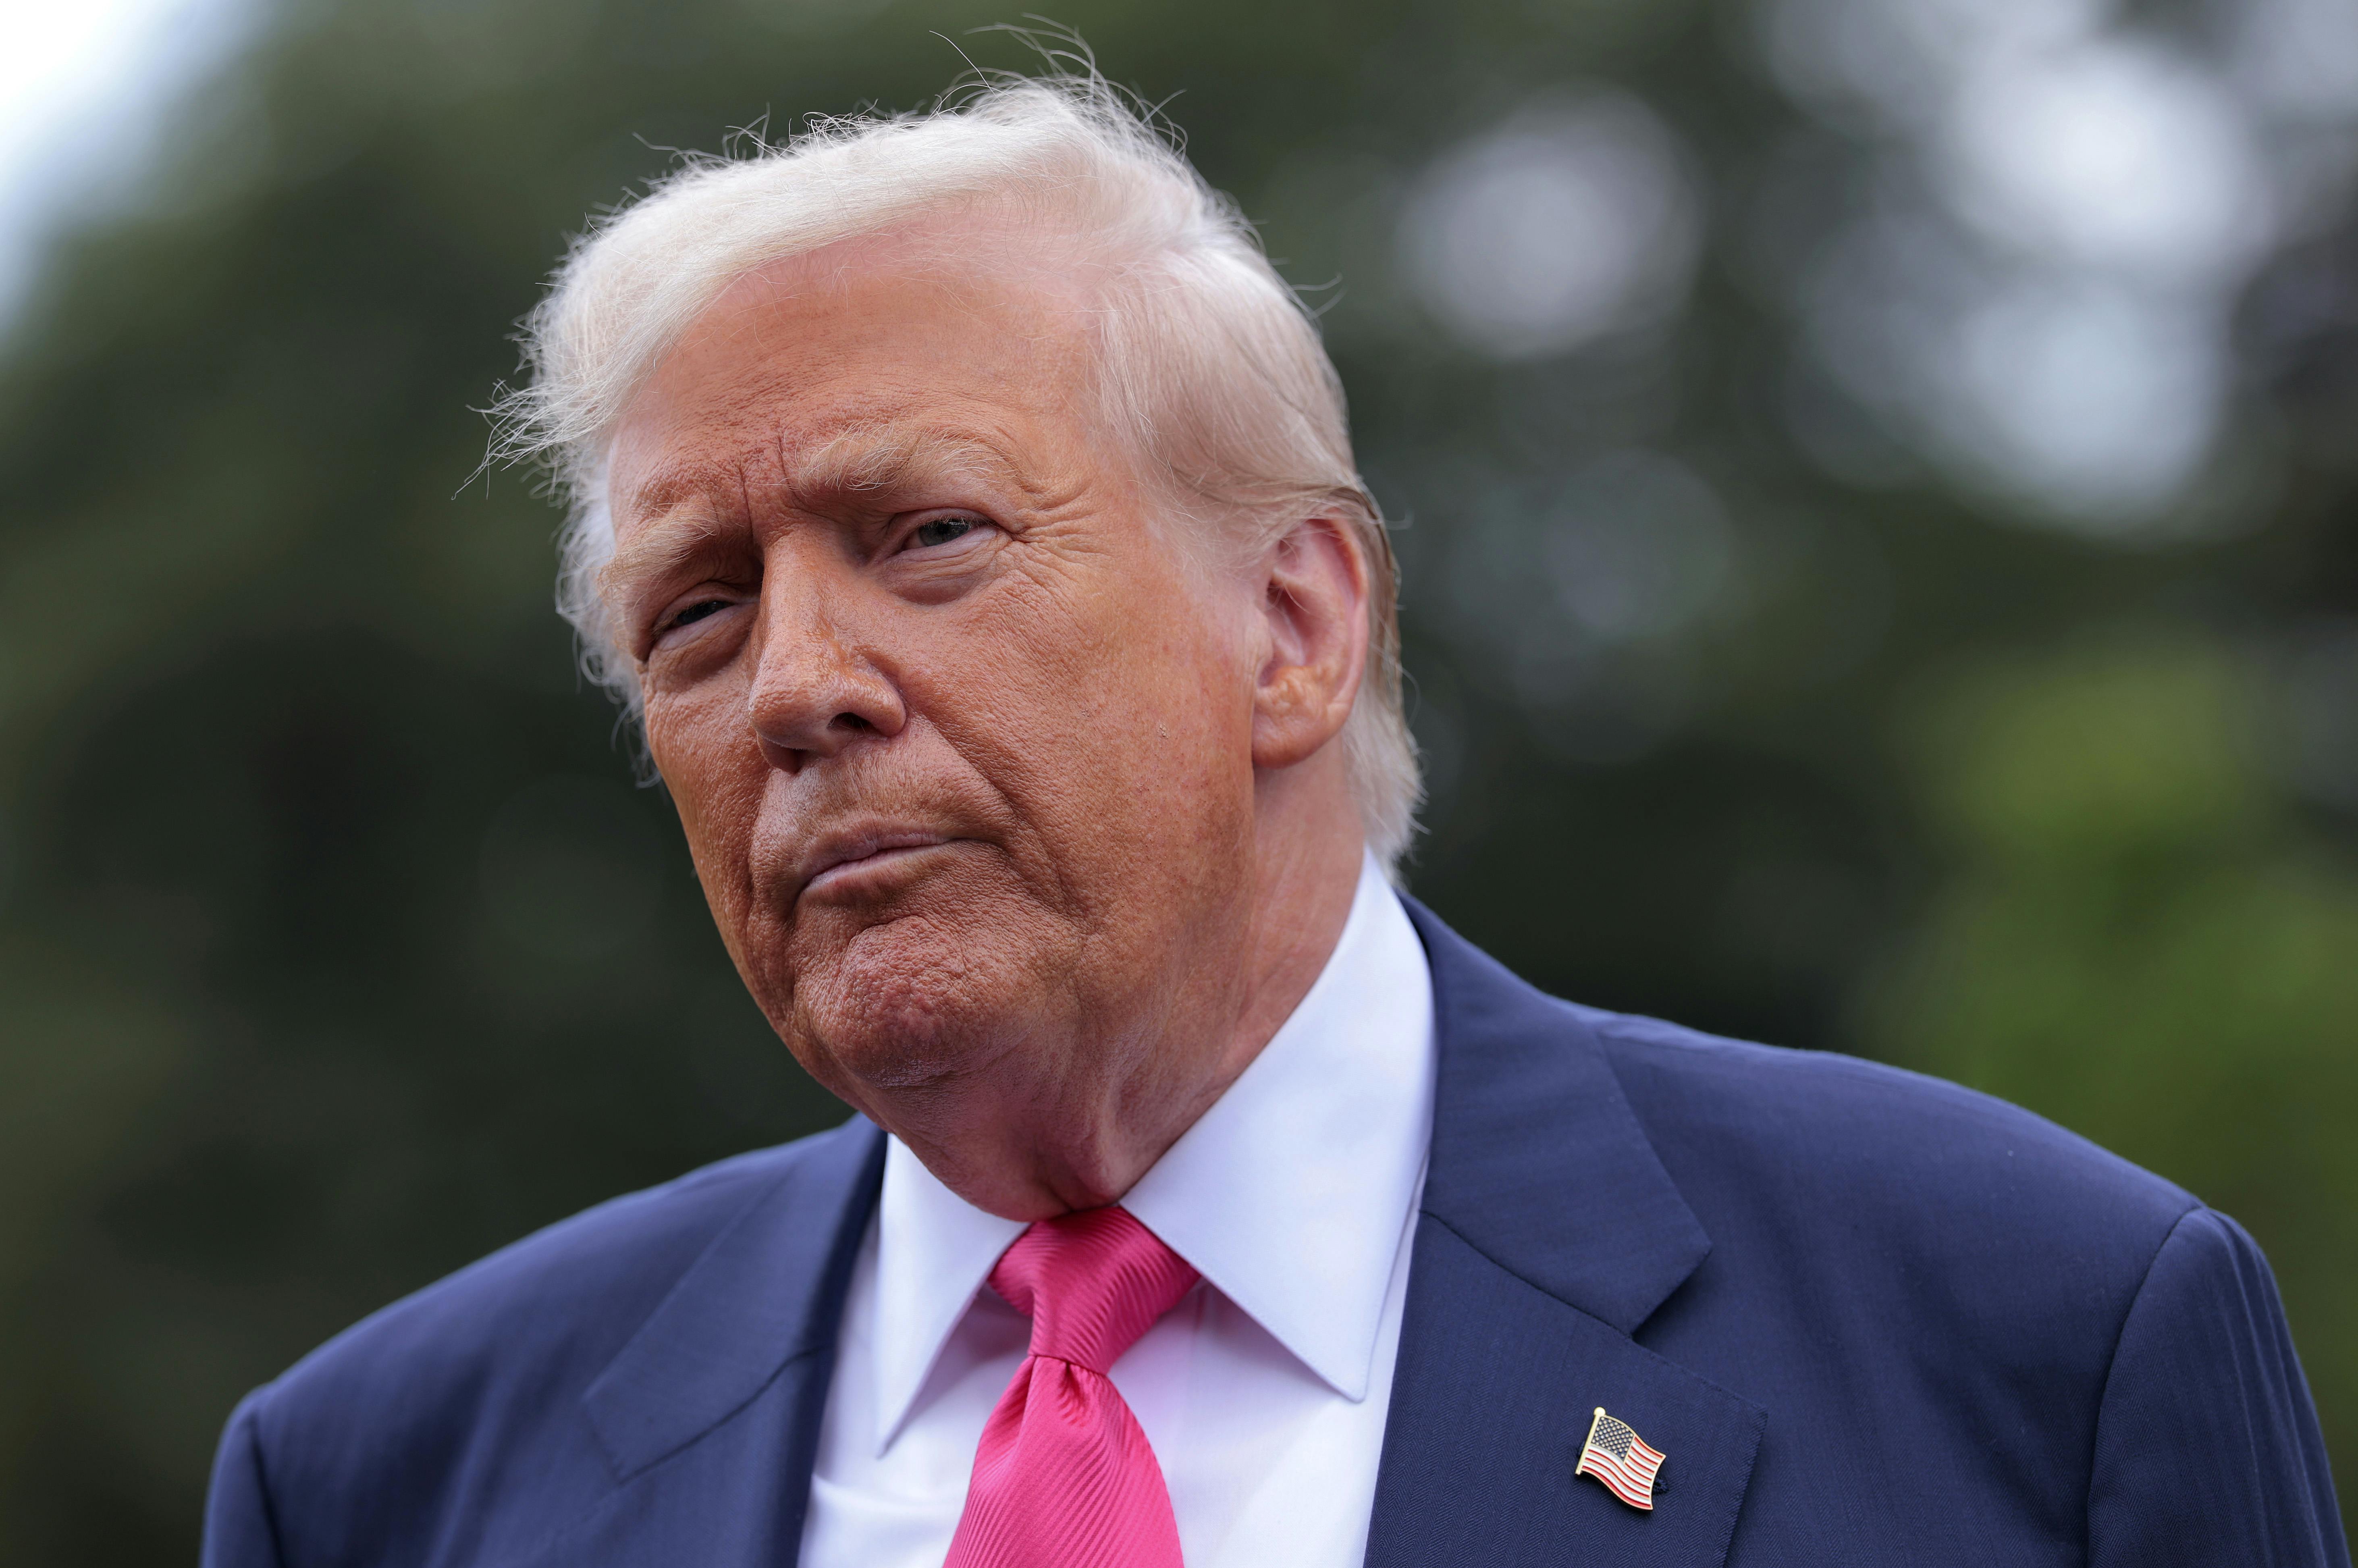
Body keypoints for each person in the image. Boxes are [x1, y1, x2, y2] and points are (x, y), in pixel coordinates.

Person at [200, 75, 2346, 1568]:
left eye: (928, 532)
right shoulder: (388, 1486)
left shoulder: (2029, 1339)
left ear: (1297, 625)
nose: (793, 687)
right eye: (697, 610)